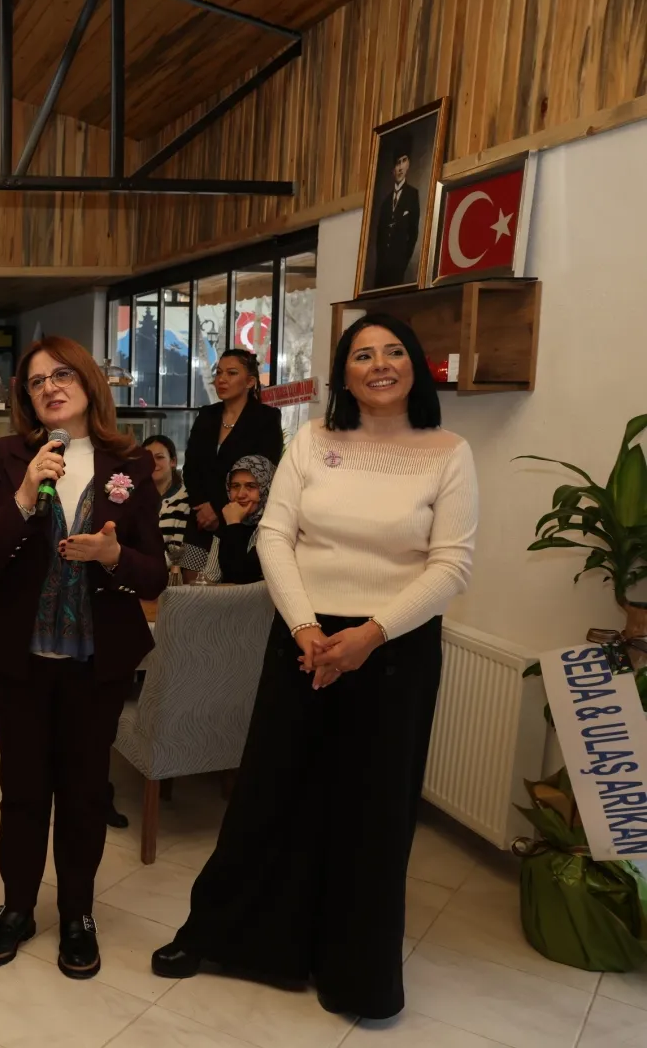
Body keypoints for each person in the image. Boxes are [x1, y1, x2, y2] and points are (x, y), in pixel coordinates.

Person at [151, 312, 477, 1021]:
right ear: (344, 374)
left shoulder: (448, 452)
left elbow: (451, 565)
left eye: (394, 351)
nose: (379, 364)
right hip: (301, 639)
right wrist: (305, 627)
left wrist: (369, 636)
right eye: (363, 355)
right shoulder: (312, 440)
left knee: (372, 811)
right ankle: (222, 937)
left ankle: (355, 973)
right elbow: (274, 534)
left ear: (414, 366)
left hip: (394, 650)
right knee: (270, 791)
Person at [0, 336, 167, 980]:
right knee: (22, 788)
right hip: (17, 656)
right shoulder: (7, 458)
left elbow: (154, 573)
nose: (50, 387)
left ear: (89, 383)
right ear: (26, 397)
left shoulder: (130, 462)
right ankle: (17, 908)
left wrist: (114, 557)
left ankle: (78, 915)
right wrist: (24, 494)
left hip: (96, 661)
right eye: (36, 380)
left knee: (84, 793)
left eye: (63, 374)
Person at [179, 349, 282, 581]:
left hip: (241, 516)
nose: (222, 379)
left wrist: (217, 508)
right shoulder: (207, 415)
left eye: (232, 373)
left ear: (250, 381)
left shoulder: (265, 418)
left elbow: (263, 472)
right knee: (191, 589)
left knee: (231, 586)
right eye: (219, 373)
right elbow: (191, 467)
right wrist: (202, 506)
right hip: (200, 518)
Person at [198, 455, 274, 585]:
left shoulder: (274, 526)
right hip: (229, 598)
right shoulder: (229, 519)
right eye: (235, 486)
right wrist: (232, 524)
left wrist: (233, 525)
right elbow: (211, 577)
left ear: (267, 488)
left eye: (251, 486)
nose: (240, 494)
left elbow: (243, 577)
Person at [372, 132, 422, 289]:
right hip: (381, 272)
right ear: (392, 169)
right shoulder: (385, 203)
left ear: (409, 164)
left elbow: (413, 234)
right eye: (397, 163)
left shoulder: (413, 195)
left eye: (403, 161)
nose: (400, 167)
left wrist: (402, 263)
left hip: (398, 270)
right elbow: (379, 238)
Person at [144, 434, 189, 568]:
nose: (153, 463)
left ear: (173, 461)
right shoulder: (134, 499)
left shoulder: (186, 500)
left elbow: (177, 553)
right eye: (147, 458)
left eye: (159, 457)